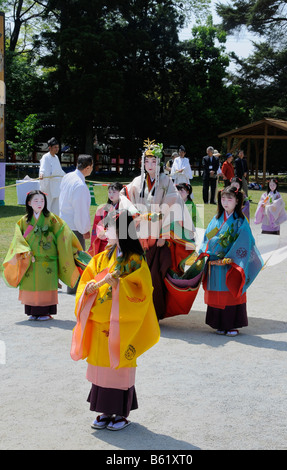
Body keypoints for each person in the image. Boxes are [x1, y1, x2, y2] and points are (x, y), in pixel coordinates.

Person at [70, 209, 160, 431]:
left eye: (109, 228)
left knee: (118, 367)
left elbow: (143, 291)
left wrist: (119, 285)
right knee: (101, 368)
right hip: (101, 322)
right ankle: (103, 411)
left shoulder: (135, 260)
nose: (105, 231)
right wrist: (87, 290)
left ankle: (120, 413)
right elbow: (87, 280)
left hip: (122, 325)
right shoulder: (102, 258)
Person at [121, 139, 195, 320]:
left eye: (154, 161)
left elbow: (174, 204)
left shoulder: (166, 181)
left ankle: (154, 311)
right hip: (140, 233)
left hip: (158, 233)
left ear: (159, 163)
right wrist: (134, 212)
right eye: (147, 161)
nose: (150, 165)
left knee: (155, 274)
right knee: (136, 271)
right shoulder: (137, 181)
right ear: (143, 163)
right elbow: (124, 196)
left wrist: (164, 234)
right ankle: (136, 309)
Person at [3, 190, 82, 320]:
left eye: (42, 201)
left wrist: (71, 248)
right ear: (29, 203)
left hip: (47, 259)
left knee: (45, 284)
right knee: (31, 284)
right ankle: (32, 312)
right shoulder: (24, 221)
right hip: (31, 260)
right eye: (36, 200)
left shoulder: (51, 219)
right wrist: (26, 251)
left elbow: (63, 232)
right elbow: (19, 239)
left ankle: (45, 312)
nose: (40, 203)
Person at [198, 185, 263, 336]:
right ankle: (219, 323)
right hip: (215, 264)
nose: (225, 202)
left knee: (230, 291)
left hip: (231, 263)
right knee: (218, 292)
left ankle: (232, 325)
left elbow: (246, 241)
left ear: (237, 201)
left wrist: (230, 257)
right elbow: (206, 238)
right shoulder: (216, 219)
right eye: (222, 199)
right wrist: (206, 251)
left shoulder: (241, 221)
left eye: (229, 199)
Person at [59, 154, 93, 293]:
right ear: (88, 167)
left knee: (67, 256)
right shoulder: (80, 185)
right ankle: (75, 287)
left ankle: (71, 285)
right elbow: (80, 210)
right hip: (74, 226)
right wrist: (84, 228)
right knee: (77, 258)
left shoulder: (68, 177)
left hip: (64, 222)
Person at [88, 182, 138, 256]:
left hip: (119, 240)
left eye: (114, 192)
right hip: (105, 239)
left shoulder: (126, 208)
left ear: (121, 193)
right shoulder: (103, 209)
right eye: (109, 192)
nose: (111, 195)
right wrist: (102, 231)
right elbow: (98, 224)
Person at [39, 137, 65, 215]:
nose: (57, 149)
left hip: (56, 184)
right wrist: (42, 174)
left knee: (56, 205)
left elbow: (59, 171)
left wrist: (67, 177)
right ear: (50, 148)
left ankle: (54, 221)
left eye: (58, 147)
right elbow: (43, 169)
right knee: (47, 204)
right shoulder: (45, 157)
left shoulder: (56, 157)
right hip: (48, 185)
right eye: (55, 147)